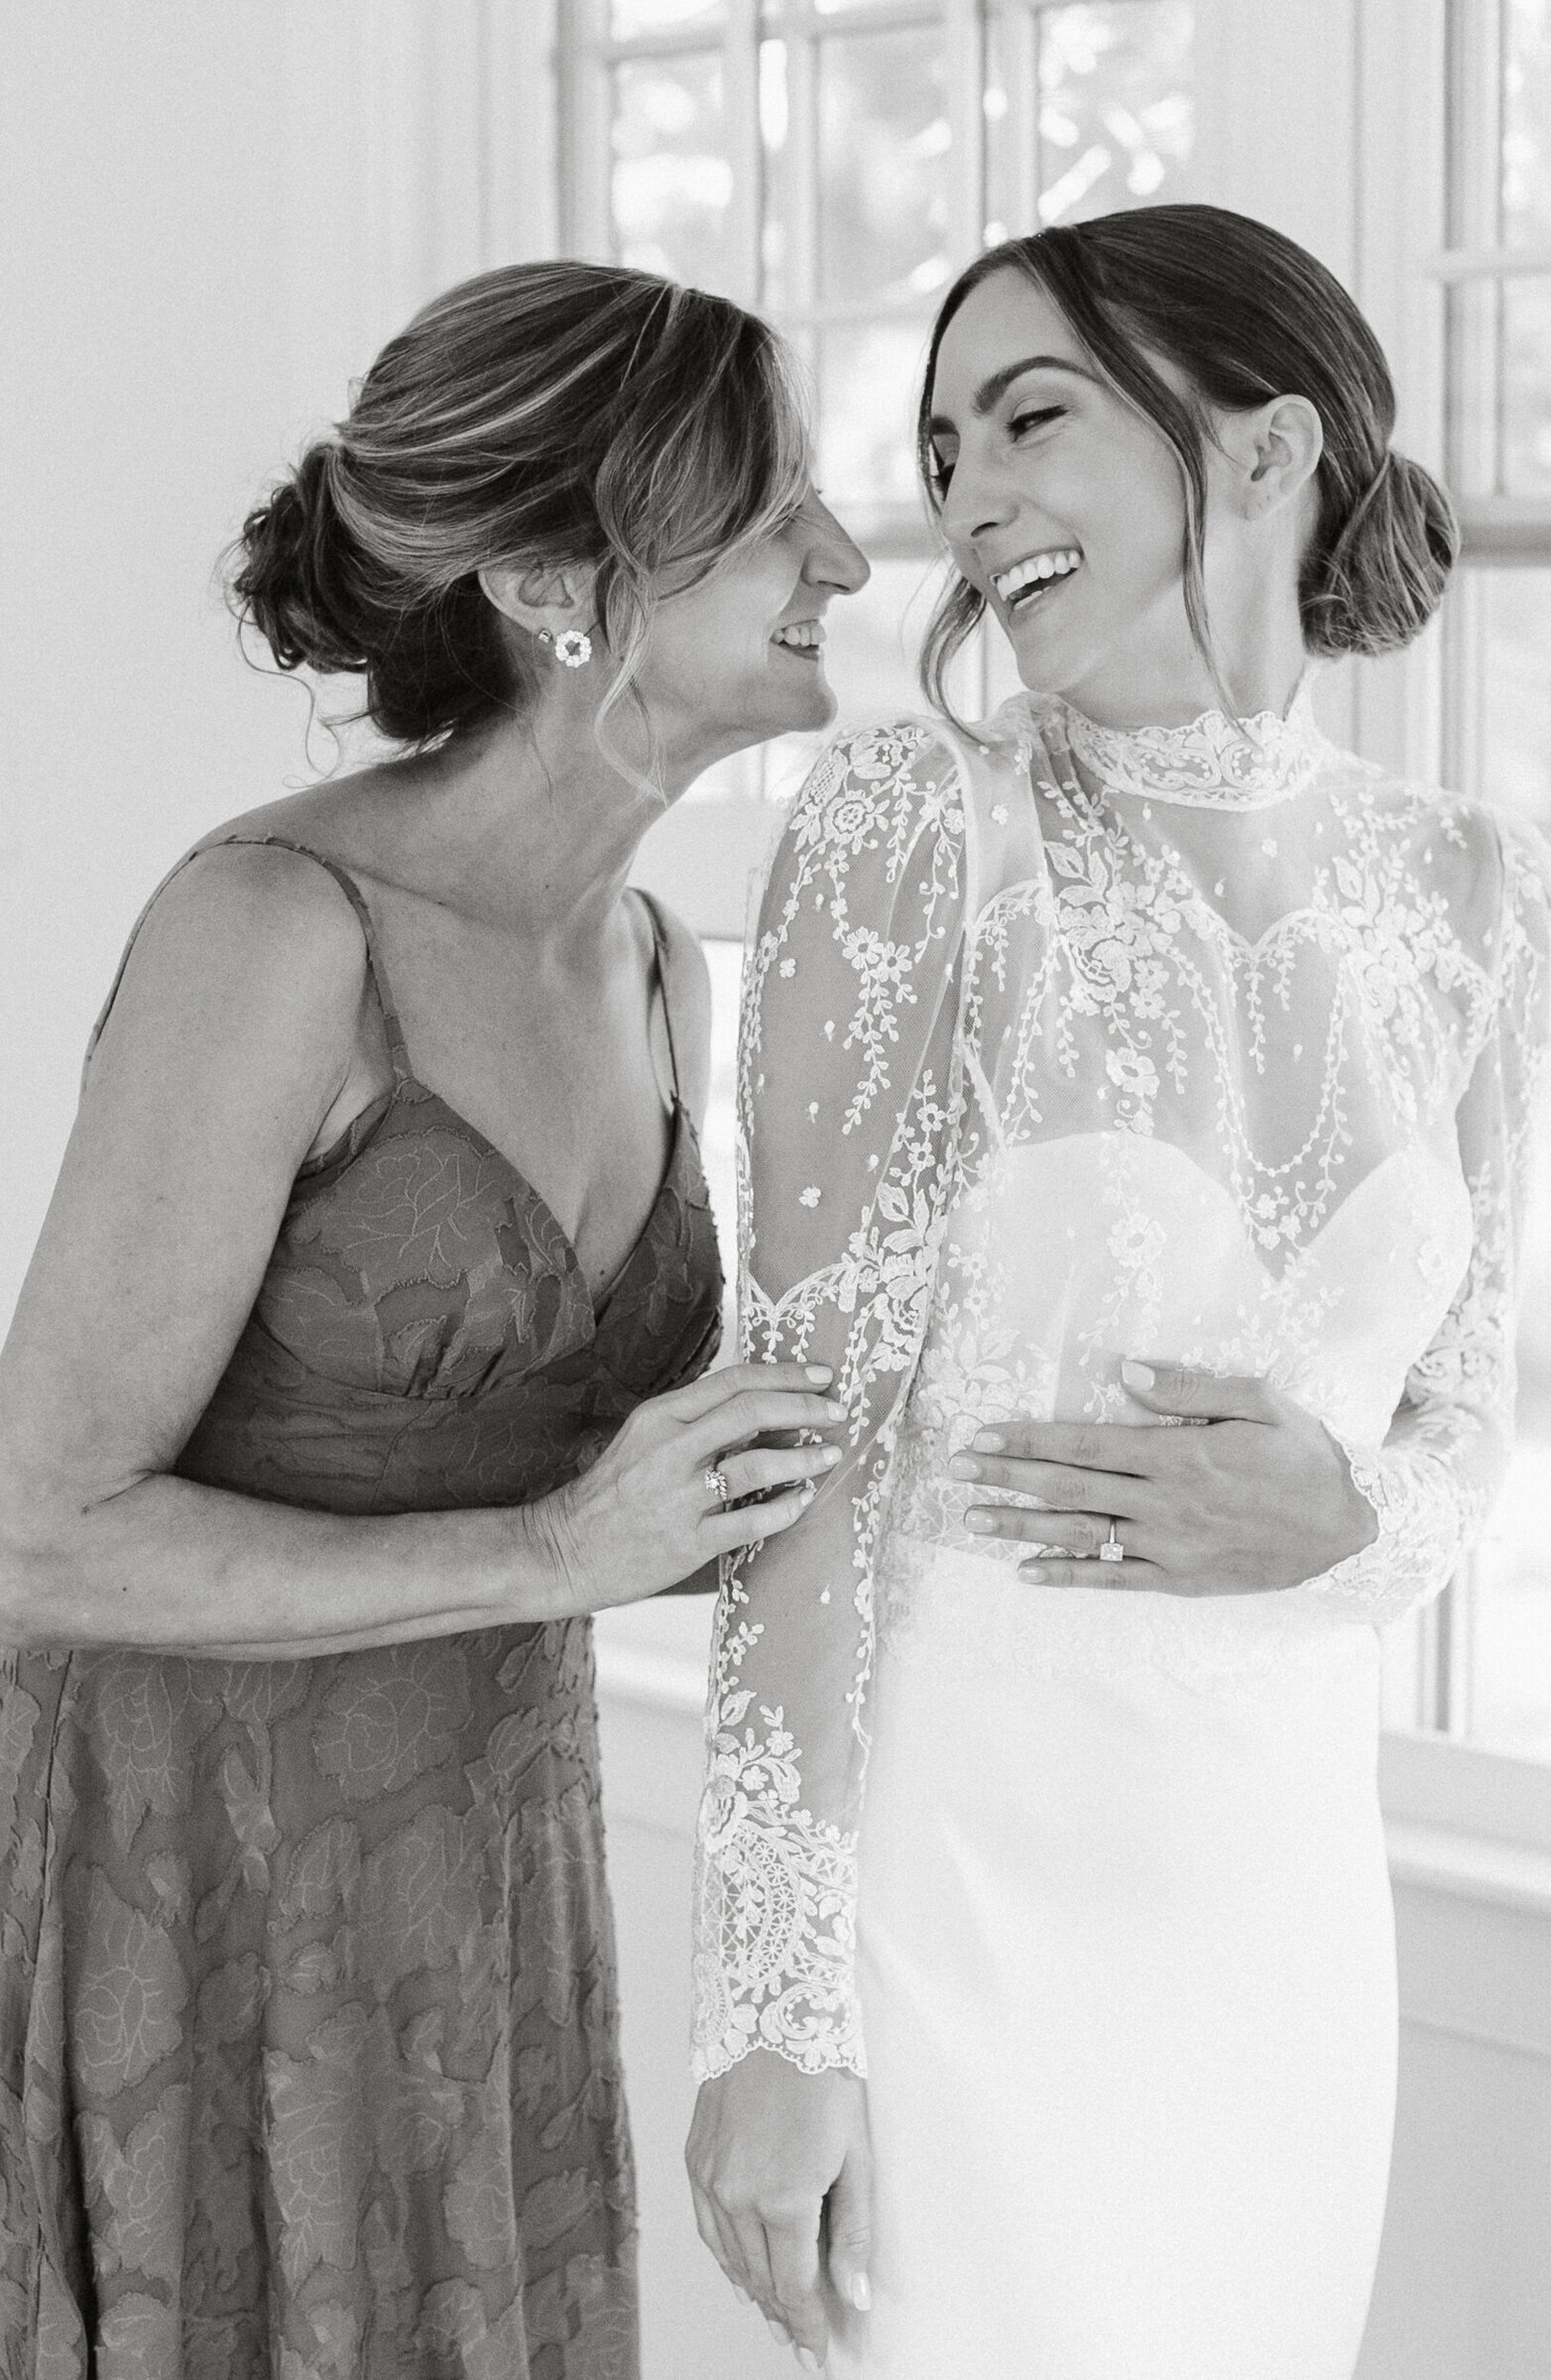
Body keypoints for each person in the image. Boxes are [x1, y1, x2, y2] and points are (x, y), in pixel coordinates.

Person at [686, 206, 1551, 2379]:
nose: (964, 495)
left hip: (1273, 1912)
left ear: (1261, 448)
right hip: (960, 1899)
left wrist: (1354, 1520)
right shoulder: (915, 830)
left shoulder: (1474, 890)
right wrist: (773, 2015)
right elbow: (787, 1449)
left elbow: (1462, 1418)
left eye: (1030, 415)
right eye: (941, 442)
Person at [0, 260, 867, 2378]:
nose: (843, 553)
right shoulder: (276, 934)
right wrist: (552, 1556)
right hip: (193, 1891)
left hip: (488, 1898)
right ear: (561, 581)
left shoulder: (662, 962)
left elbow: (673, 1487)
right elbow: (33, 1519)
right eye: (773, 511)